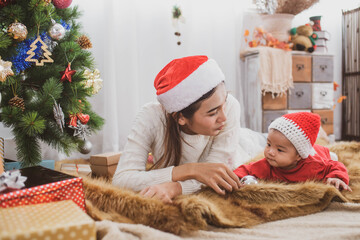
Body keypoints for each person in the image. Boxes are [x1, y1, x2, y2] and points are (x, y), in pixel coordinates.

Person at [112, 55, 266, 203]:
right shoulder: (150, 117)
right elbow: (121, 180)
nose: (223, 118)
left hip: (246, 144)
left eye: (223, 101)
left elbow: (217, 174)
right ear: (181, 118)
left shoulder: (231, 107)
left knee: (276, 142)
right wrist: (190, 170)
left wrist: (176, 187)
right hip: (235, 142)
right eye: (212, 113)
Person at [233, 112, 352, 191]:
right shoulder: (267, 164)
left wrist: (337, 177)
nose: (270, 152)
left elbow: (336, 166)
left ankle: (327, 151)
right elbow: (246, 169)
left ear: (299, 156)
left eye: (279, 149)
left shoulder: (314, 166)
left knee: (329, 157)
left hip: (319, 153)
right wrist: (236, 178)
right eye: (268, 144)